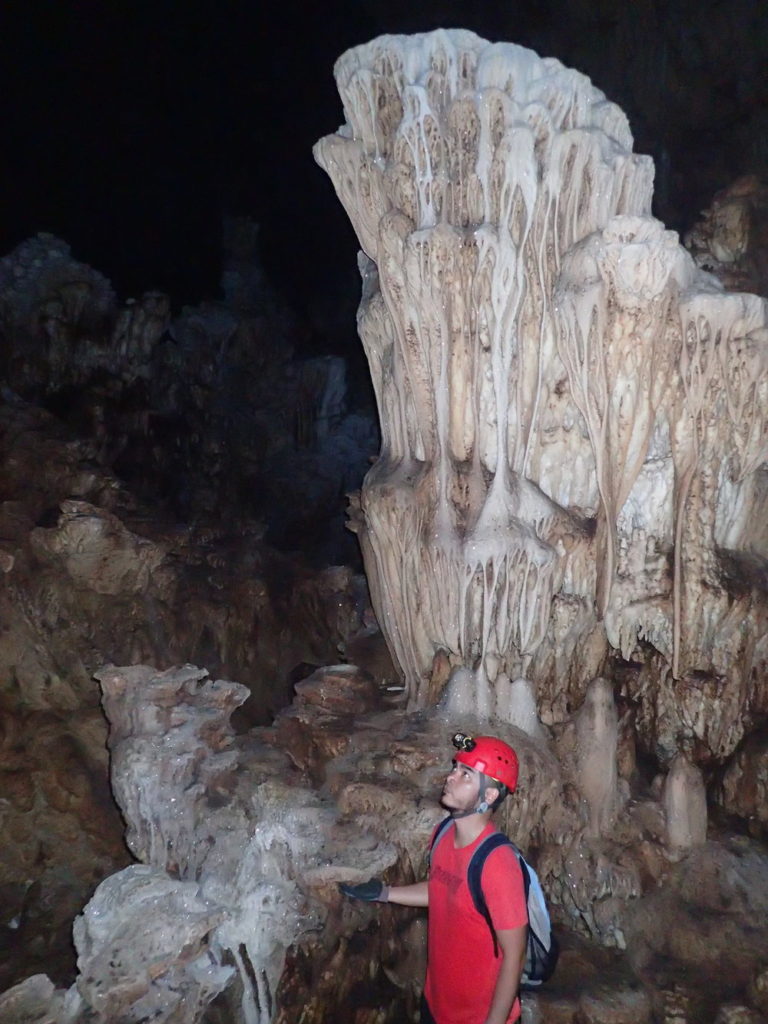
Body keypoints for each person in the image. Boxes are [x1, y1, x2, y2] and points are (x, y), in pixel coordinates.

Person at [340, 733, 528, 1024]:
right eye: (455, 768)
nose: (451, 777)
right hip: (437, 1004)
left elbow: (514, 956)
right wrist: (385, 892)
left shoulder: (498, 865)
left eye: (466, 774)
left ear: (489, 796)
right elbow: (442, 889)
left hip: (478, 1017)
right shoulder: (442, 835)